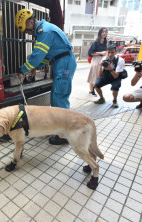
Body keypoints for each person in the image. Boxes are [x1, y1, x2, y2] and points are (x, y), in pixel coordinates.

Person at [15, 9, 77, 145]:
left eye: (28, 31)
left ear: (31, 22)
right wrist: (36, 66)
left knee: (59, 97)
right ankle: (62, 130)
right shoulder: (45, 30)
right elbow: (46, 56)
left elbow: (37, 55)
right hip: (61, 61)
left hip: (65, 62)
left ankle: (65, 135)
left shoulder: (45, 32)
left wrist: (23, 69)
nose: (28, 34)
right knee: (56, 97)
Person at [87, 27, 108, 96]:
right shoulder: (95, 42)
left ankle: (94, 90)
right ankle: (91, 91)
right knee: (93, 75)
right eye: (102, 32)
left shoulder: (105, 42)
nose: (104, 33)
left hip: (102, 59)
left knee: (98, 76)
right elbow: (90, 53)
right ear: (100, 33)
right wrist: (101, 52)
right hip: (96, 60)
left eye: (105, 32)